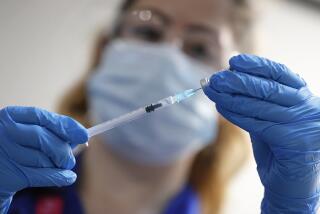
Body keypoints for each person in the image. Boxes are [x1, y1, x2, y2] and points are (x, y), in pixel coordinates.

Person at [3, 1, 307, 214]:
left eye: (199, 48)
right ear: (102, 51)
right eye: (149, 32)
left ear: (233, 95)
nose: (167, 56)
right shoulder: (13, 188)